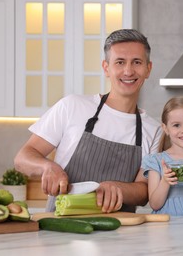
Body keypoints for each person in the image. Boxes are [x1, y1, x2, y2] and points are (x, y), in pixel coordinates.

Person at [14, 29, 162, 213]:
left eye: (137, 62)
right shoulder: (72, 106)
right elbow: (22, 158)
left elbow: (144, 190)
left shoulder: (154, 130)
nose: (128, 70)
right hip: (60, 231)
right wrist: (47, 166)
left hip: (121, 234)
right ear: (106, 68)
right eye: (120, 62)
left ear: (148, 69)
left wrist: (118, 188)